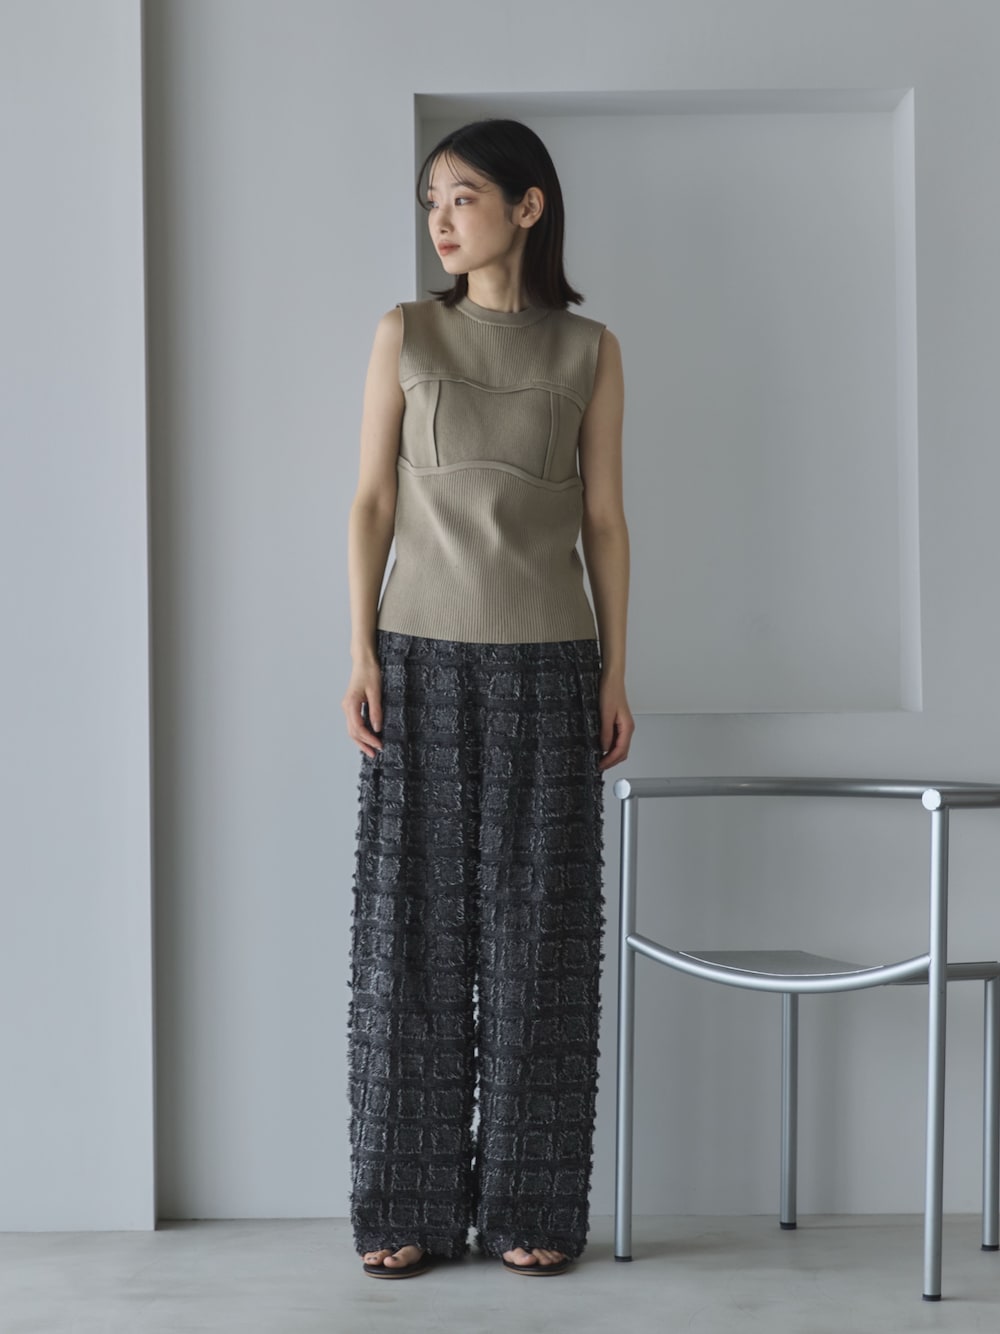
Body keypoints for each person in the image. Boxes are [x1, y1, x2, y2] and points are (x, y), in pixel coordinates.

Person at [342, 117, 634, 1280]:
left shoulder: (590, 349)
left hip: (552, 664)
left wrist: (615, 669)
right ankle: (403, 1204)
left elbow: (603, 519)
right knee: (408, 936)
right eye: (430, 202)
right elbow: (371, 501)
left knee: (540, 938)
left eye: (461, 197)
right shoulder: (406, 332)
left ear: (527, 205)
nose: (441, 221)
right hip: (415, 660)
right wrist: (359, 651)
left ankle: (532, 1207)